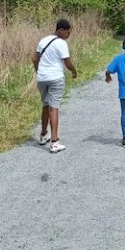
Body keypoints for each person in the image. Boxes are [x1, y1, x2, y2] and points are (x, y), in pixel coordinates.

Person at [33, 18, 79, 153]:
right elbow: (67, 63)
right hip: (55, 78)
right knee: (54, 107)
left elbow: (35, 59)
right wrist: (74, 71)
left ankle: (43, 135)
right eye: (68, 32)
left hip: (42, 78)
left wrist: (39, 72)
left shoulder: (43, 40)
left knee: (46, 105)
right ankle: (54, 142)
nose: (68, 35)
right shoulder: (61, 43)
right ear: (61, 30)